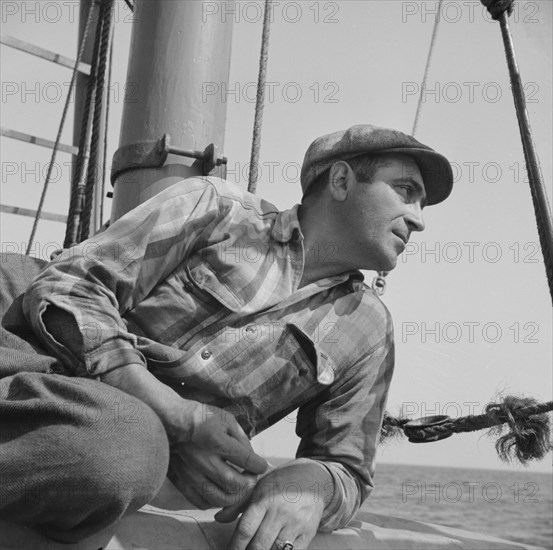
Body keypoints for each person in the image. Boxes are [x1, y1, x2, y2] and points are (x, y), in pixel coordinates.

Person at [0, 124, 453, 550]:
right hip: (20, 335)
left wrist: (309, 486)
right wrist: (178, 417)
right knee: (129, 446)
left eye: (422, 204)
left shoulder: (367, 331)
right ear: (340, 181)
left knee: (123, 453)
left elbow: (348, 468)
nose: (418, 219)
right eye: (406, 191)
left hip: (101, 425)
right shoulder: (219, 210)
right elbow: (68, 288)